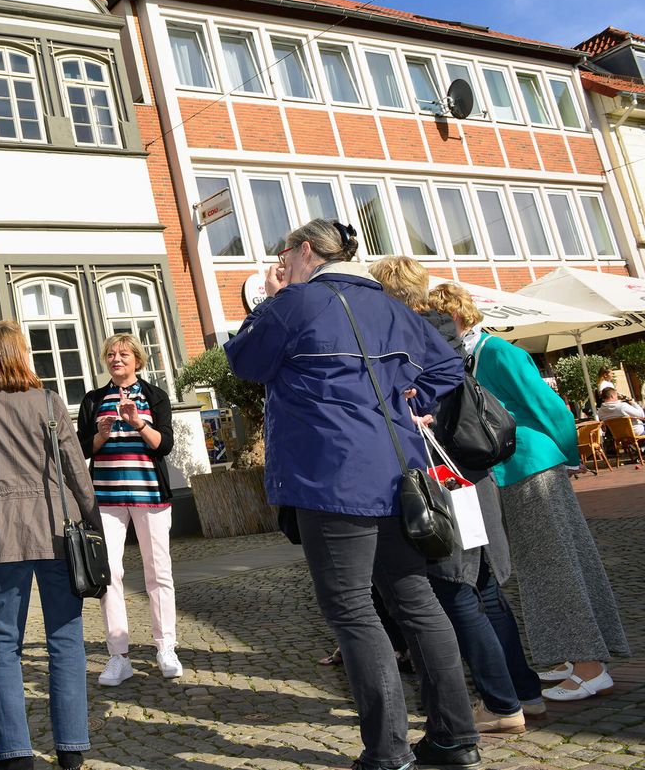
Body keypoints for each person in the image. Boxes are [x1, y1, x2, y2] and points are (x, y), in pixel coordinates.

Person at [225, 221, 477, 770]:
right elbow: (448, 363)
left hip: (331, 477)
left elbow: (243, 361)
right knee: (416, 602)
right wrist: (412, 402)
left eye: (284, 252)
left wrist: (271, 300)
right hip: (400, 474)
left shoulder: (294, 304)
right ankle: (455, 740)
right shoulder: (390, 306)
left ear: (306, 251)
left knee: (353, 610)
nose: (281, 262)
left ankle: (388, 753)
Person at [431, 282, 631, 702]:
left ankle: (591, 667)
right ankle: (570, 657)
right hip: (509, 473)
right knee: (543, 568)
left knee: (556, 568)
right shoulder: (467, 357)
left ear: (456, 316)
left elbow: (551, 408)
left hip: (532, 469)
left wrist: (569, 456)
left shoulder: (498, 353)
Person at [372, 257, 543, 732]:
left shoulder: (401, 337)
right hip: (473, 475)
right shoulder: (443, 328)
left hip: (442, 479)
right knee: (484, 585)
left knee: (454, 588)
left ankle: (501, 703)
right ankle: (524, 691)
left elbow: (418, 401)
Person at [0, 321, 102, 770]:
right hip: (57, 529)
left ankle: (16, 756)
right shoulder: (49, 401)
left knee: (0, 644)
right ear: (21, 355)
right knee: (66, 639)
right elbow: (77, 471)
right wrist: (94, 527)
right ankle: (71, 750)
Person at [74, 332, 180, 685]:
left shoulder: (155, 397)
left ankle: (166, 647)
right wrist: (101, 434)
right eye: (110, 355)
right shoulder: (93, 400)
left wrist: (138, 423)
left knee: (158, 572)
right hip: (106, 499)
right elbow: (81, 450)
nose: (116, 359)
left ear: (137, 359)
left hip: (150, 496)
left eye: (123, 354)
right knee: (110, 574)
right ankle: (118, 655)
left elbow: (164, 444)